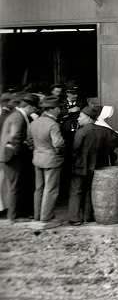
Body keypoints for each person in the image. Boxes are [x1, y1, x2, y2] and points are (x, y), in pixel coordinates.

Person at [69, 104, 116, 225]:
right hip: (95, 167)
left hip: (79, 167)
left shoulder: (81, 132)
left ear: (88, 118)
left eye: (80, 117)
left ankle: (74, 218)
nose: (78, 119)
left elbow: (75, 149)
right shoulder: (103, 131)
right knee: (89, 190)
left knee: (76, 191)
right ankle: (87, 216)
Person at [2, 93, 39, 222]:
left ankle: (14, 214)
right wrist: (20, 153)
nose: (34, 112)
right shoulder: (18, 117)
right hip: (13, 157)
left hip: (9, 156)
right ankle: (13, 217)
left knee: (14, 186)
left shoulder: (15, 115)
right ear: (28, 107)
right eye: (34, 109)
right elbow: (15, 137)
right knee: (14, 187)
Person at [30, 95, 65, 228]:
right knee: (51, 189)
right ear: (51, 109)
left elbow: (30, 141)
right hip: (51, 160)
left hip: (37, 158)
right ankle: (46, 218)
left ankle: (38, 216)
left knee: (39, 188)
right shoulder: (53, 124)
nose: (59, 111)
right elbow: (58, 144)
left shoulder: (34, 123)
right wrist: (61, 154)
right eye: (58, 108)